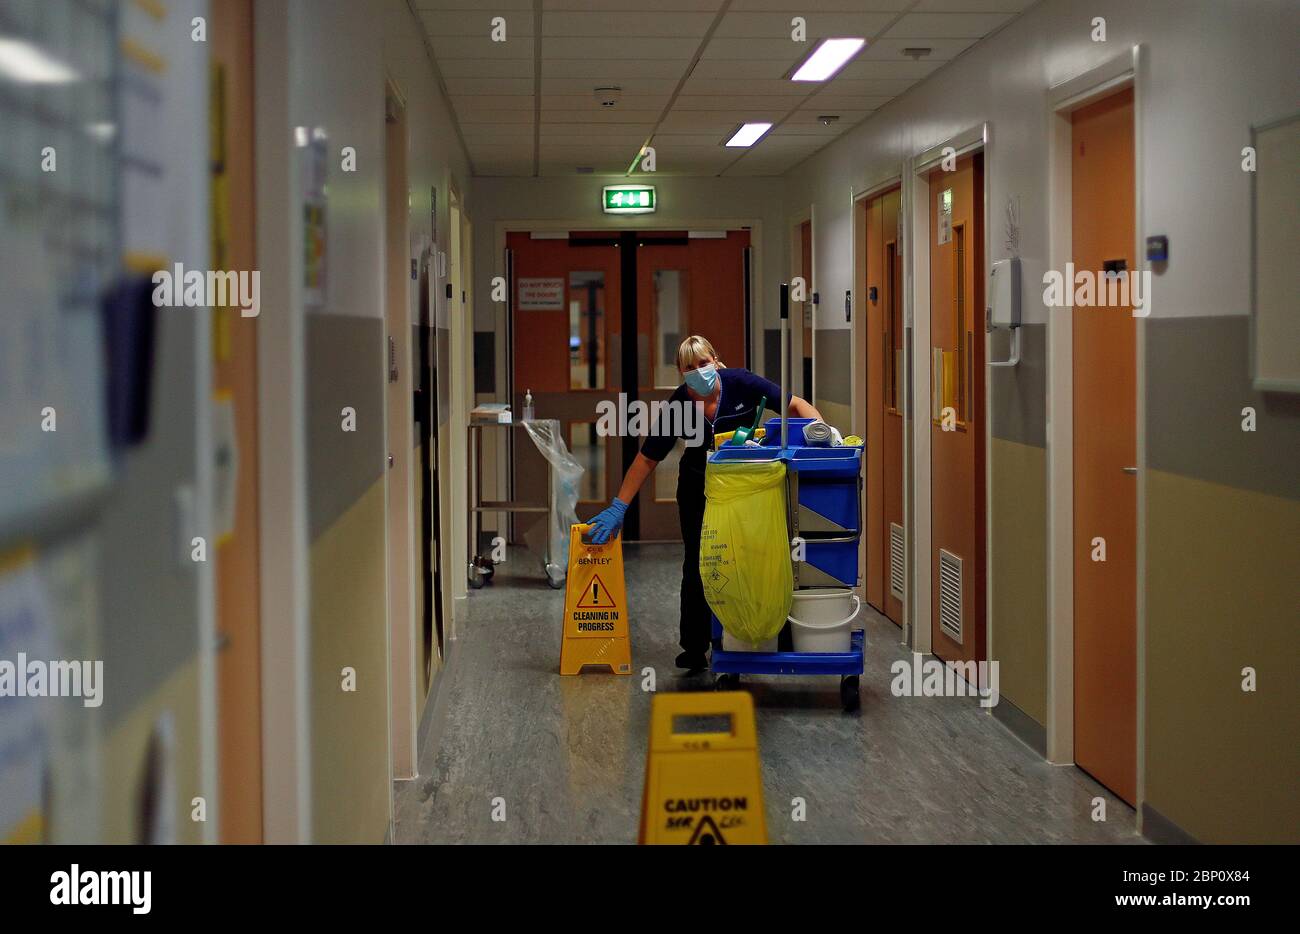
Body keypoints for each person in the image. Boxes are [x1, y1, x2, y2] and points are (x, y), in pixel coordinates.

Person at [586, 335, 822, 671]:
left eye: (703, 363)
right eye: (689, 367)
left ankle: (765, 633)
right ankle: (695, 646)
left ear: (715, 361)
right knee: (700, 561)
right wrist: (618, 506)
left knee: (755, 557)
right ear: (680, 372)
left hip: (744, 485)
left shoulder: (740, 383)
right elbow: (647, 458)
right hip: (698, 486)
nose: (699, 371)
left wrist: (822, 434)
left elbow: (795, 404)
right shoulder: (679, 404)